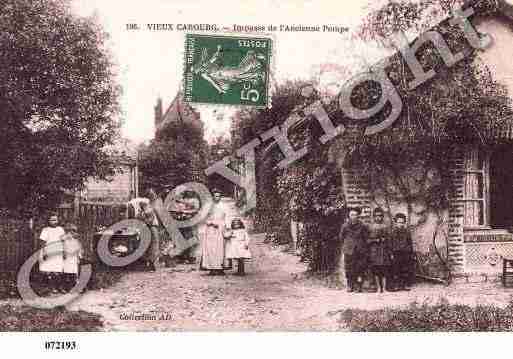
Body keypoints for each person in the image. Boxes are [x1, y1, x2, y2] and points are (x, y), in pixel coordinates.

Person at [339, 207, 370, 293]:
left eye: (356, 215)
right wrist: (347, 245)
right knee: (349, 268)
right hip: (349, 250)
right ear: (349, 216)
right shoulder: (345, 226)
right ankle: (350, 285)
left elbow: (366, 237)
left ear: (358, 216)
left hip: (360, 250)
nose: (354, 216)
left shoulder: (362, 226)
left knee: (359, 268)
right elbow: (341, 237)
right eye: (352, 215)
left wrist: (362, 247)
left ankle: (358, 286)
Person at [199, 189, 229, 276]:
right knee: (210, 248)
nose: (217, 198)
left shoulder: (223, 206)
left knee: (220, 248)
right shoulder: (208, 206)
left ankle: (220, 268)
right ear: (212, 197)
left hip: (220, 228)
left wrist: (225, 226)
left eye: (219, 196)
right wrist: (210, 222)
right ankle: (211, 268)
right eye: (216, 196)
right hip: (210, 229)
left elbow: (226, 217)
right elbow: (203, 217)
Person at [39, 212, 66, 294]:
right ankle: (51, 288)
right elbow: (42, 242)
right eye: (52, 220)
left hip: (58, 252)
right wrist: (44, 252)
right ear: (48, 221)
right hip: (49, 252)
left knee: (58, 271)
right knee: (49, 270)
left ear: (58, 220)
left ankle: (59, 287)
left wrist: (64, 251)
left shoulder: (60, 229)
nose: (54, 222)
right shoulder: (45, 230)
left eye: (55, 220)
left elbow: (63, 241)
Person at [368, 208, 392, 293]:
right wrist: (374, 240)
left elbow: (389, 239)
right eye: (376, 216)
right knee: (376, 270)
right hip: (374, 251)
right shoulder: (370, 227)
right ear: (373, 217)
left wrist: (390, 251)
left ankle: (385, 288)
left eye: (380, 216)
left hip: (384, 251)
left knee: (385, 270)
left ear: (383, 217)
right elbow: (367, 240)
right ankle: (378, 288)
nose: (378, 218)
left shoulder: (386, 226)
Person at [390, 213, 414, 291]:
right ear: (396, 223)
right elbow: (390, 243)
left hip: (405, 253)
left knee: (405, 269)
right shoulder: (392, 232)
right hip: (396, 253)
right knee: (396, 269)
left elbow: (409, 243)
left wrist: (410, 253)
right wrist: (391, 253)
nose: (401, 224)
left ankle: (404, 285)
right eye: (399, 222)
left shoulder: (407, 232)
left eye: (402, 222)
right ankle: (397, 285)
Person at [138, 199, 161, 272]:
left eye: (142, 205)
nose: (141, 207)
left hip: (152, 228)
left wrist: (143, 220)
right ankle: (146, 263)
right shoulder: (142, 212)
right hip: (146, 229)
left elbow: (150, 221)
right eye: (140, 206)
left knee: (153, 246)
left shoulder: (149, 211)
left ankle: (152, 265)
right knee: (146, 246)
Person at [62, 223, 83, 292]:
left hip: (74, 258)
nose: (72, 233)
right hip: (67, 258)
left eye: (74, 231)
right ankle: (66, 287)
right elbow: (63, 248)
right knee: (67, 272)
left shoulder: (76, 241)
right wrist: (64, 254)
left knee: (74, 272)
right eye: (70, 231)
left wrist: (79, 256)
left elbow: (79, 249)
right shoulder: (65, 240)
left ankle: (76, 286)